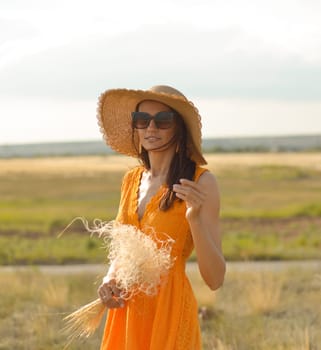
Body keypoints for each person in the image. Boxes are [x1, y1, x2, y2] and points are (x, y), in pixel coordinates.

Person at [96, 85, 226, 350]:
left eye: (162, 121)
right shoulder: (131, 180)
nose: (151, 128)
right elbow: (124, 251)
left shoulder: (202, 182)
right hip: (127, 311)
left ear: (178, 127)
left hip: (169, 309)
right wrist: (110, 279)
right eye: (142, 120)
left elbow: (215, 279)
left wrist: (195, 220)